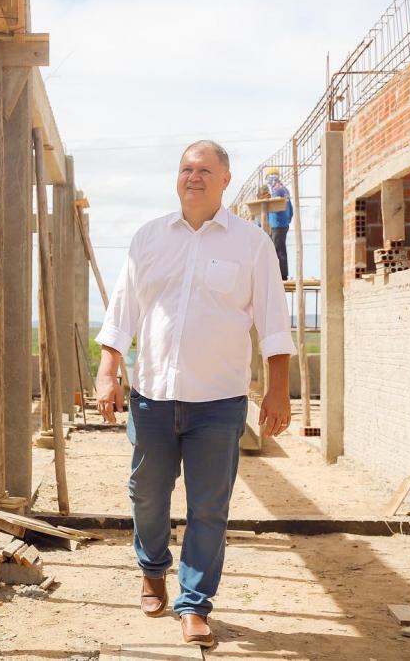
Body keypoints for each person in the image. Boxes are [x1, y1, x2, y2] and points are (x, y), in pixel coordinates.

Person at [94, 141, 294, 648]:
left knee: (210, 507)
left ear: (226, 179)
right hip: (152, 397)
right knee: (146, 493)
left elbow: (273, 319)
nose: (193, 177)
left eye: (205, 170)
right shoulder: (149, 238)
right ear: (176, 178)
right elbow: (123, 313)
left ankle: (194, 603)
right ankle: (152, 568)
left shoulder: (250, 244)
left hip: (219, 402)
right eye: (186, 169)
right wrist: (107, 371)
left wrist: (278, 390)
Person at [264, 167, 293, 280]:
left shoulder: (276, 190)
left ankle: (280, 275)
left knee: (277, 249)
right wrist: (288, 218)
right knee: (281, 248)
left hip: (277, 223)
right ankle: (282, 274)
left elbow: (274, 206)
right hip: (283, 223)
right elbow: (290, 207)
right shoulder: (284, 189)